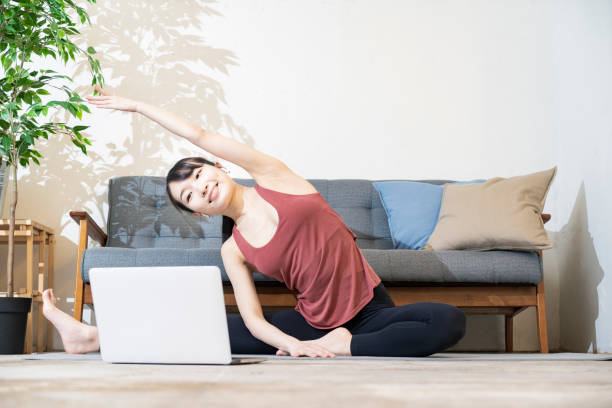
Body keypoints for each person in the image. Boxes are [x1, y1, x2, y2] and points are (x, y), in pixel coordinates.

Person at [42, 85, 467, 358]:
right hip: (312, 323)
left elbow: (200, 134)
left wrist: (136, 105)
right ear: (198, 213)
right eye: (189, 196)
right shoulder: (234, 249)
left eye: (198, 175)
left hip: (370, 312)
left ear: (219, 166)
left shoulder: (275, 177)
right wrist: (294, 345)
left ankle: (350, 345)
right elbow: (254, 320)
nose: (200, 188)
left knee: (448, 321)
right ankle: (93, 337)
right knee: (209, 328)